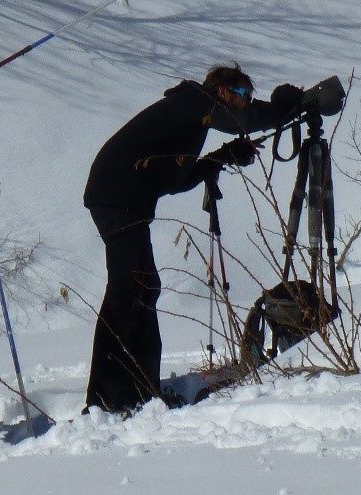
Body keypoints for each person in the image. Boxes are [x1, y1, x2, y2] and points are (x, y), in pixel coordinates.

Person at [81, 64, 305, 414]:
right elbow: (242, 121)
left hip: (126, 199)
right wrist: (280, 107)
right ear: (221, 91)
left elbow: (174, 180)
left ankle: (134, 390)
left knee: (141, 288)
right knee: (130, 290)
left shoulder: (192, 117)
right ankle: (113, 398)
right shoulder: (192, 102)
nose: (246, 102)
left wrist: (220, 158)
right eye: (243, 95)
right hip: (117, 197)